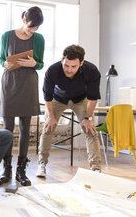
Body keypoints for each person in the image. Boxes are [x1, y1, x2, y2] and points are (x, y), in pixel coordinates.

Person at [36, 44, 102, 178]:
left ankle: (96, 169)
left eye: (73, 67)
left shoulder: (92, 71)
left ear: (81, 63)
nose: (69, 70)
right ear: (62, 60)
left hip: (80, 100)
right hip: (58, 99)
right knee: (48, 127)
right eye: (66, 65)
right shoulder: (52, 70)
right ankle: (42, 163)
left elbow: (93, 98)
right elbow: (47, 97)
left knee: (90, 130)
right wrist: (51, 117)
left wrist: (87, 119)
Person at [0, 6, 45, 186]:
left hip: (29, 83)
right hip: (10, 83)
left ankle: (21, 170)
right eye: (32, 26)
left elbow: (40, 63)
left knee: (26, 128)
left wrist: (35, 63)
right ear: (24, 20)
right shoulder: (6, 36)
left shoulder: (39, 39)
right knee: (8, 129)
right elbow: (1, 58)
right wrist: (5, 64)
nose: (34, 31)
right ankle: (6, 170)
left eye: (37, 28)